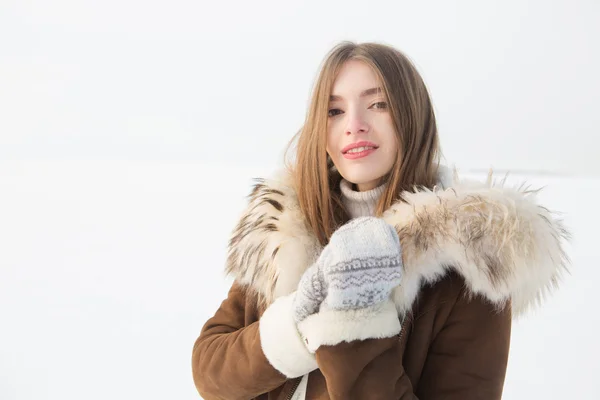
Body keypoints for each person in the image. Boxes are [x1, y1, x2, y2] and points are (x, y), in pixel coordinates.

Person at [191, 41, 569, 399]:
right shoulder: (287, 228)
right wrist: (297, 324)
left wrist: (354, 324)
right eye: (334, 110)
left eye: (378, 104)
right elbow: (210, 370)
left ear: (411, 115)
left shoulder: (472, 260)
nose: (354, 124)